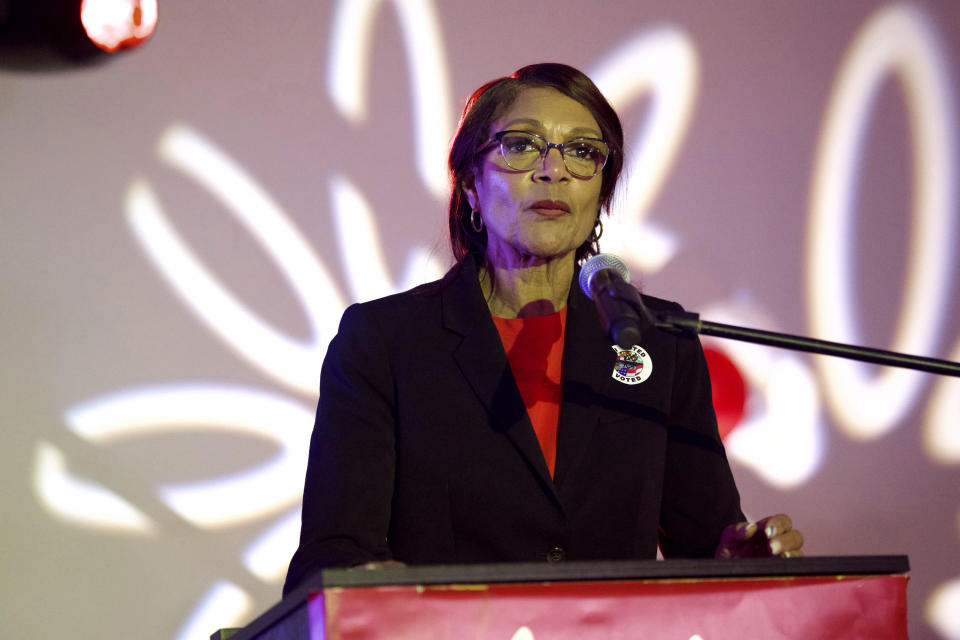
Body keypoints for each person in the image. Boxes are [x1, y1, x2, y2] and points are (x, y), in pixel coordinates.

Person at [283, 62, 802, 595]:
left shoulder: (657, 340)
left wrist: (737, 560)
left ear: (600, 194)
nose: (553, 170)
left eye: (582, 152)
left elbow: (704, 544)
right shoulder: (385, 341)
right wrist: (378, 586)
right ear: (469, 186)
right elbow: (332, 552)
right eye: (521, 145)